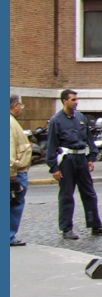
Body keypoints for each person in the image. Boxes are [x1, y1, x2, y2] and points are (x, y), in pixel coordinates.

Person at [45, 89, 102, 240]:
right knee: (66, 195)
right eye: (73, 100)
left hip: (81, 159)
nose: (76, 102)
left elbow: (89, 139)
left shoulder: (81, 117)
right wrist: (54, 167)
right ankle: (66, 228)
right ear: (65, 101)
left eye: (77, 99)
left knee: (89, 193)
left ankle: (95, 225)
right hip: (67, 160)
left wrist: (91, 157)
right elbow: (51, 145)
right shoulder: (56, 121)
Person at [10, 95, 32, 247]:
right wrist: (11, 173)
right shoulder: (10, 122)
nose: (22, 109)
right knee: (14, 204)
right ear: (16, 105)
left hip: (16, 171)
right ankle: (9, 236)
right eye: (21, 106)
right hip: (16, 173)